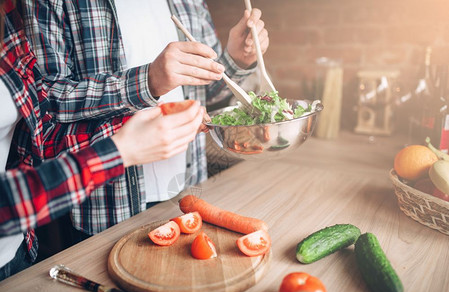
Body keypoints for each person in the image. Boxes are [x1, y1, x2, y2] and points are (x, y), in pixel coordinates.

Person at [20, 0, 270, 241]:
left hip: (190, 191)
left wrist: (236, 60)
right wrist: (148, 81)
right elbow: (45, 104)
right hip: (110, 206)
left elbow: (209, 91)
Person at [0, 0, 204, 280]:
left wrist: (234, 60)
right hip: (105, 206)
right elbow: (51, 104)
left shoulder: (8, 21)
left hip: (19, 248)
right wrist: (120, 148)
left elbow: (39, 136)